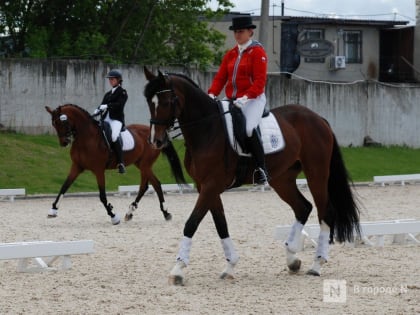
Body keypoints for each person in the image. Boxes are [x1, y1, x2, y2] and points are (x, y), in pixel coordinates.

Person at [208, 16, 269, 185]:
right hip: (231, 99)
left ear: (250, 32)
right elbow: (220, 78)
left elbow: (259, 82)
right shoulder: (231, 54)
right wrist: (212, 93)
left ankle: (261, 168)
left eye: (241, 31)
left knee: (249, 129)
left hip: (253, 99)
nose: (237, 35)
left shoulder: (258, 53)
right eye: (235, 32)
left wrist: (246, 97)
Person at [93, 69, 128, 174]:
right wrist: (97, 109)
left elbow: (119, 105)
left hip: (116, 120)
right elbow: (102, 104)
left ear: (118, 80)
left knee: (113, 136)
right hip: (105, 119)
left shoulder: (122, 92)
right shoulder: (108, 94)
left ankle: (121, 163)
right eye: (110, 79)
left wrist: (107, 105)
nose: (110, 81)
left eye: (112, 79)